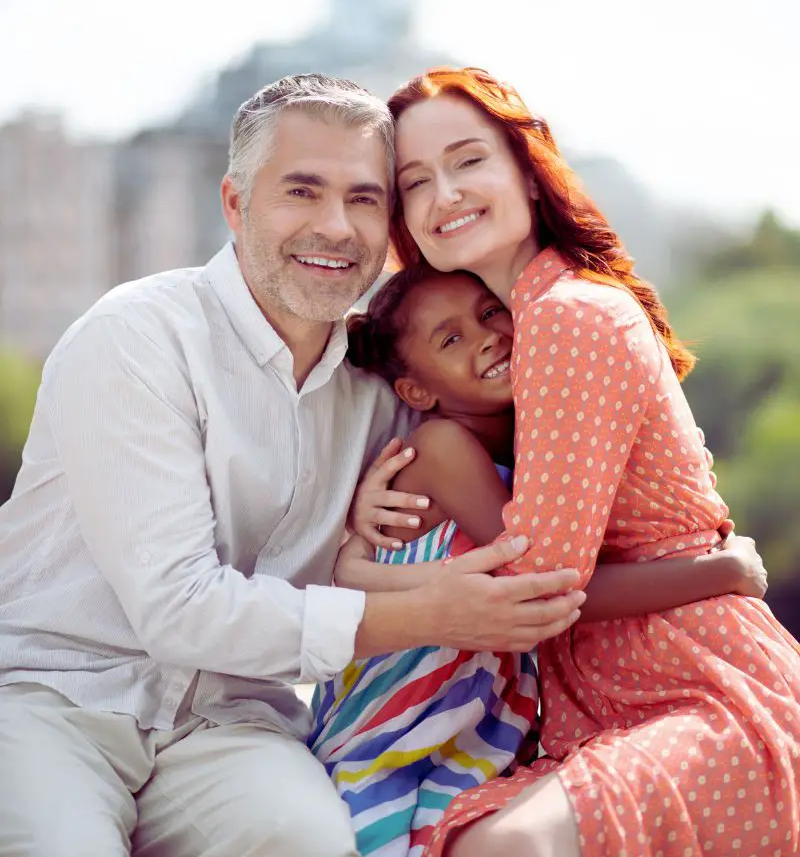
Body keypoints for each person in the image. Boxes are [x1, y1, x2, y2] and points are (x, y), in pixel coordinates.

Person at [0, 74, 586, 857]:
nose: (335, 227)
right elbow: (178, 609)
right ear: (236, 205)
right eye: (302, 192)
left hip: (231, 724)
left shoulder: (387, 390)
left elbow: (517, 452)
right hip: (57, 699)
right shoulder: (137, 339)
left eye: (365, 199)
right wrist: (425, 610)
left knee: (314, 842)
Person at [377, 66, 800, 857]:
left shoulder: (568, 316)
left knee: (504, 847)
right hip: (611, 693)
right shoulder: (523, 331)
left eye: (468, 161)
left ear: (527, 174)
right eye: (414, 182)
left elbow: (538, 591)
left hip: (696, 682)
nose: (445, 193)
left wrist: (351, 580)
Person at [310, 263, 768, 857]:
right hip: (402, 713)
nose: (486, 337)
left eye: (488, 312)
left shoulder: (533, 437)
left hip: (479, 714)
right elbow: (543, 591)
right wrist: (720, 573)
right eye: (451, 339)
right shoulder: (443, 444)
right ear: (418, 391)